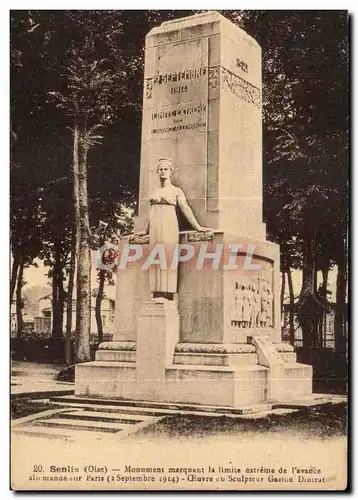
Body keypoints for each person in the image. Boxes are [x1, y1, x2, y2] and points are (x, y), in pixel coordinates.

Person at [136, 157, 210, 300]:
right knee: (156, 256)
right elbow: (151, 213)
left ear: (171, 172)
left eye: (165, 169)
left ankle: (167, 292)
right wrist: (145, 230)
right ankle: (156, 291)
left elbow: (185, 209)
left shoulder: (176, 191)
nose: (163, 172)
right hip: (156, 227)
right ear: (157, 172)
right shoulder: (154, 192)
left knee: (167, 255)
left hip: (169, 225)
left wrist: (197, 226)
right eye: (160, 169)